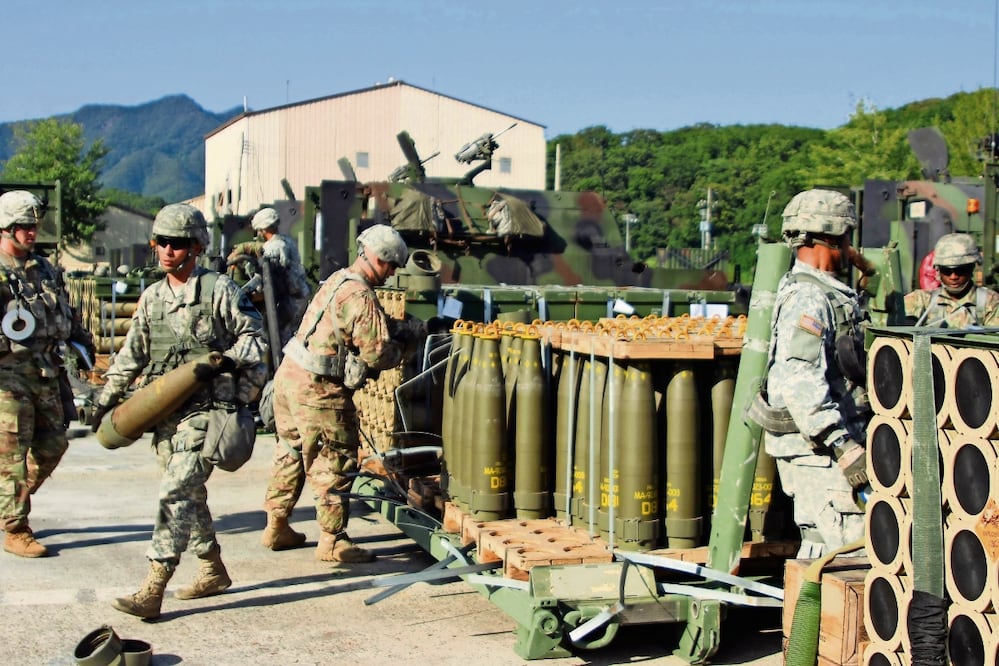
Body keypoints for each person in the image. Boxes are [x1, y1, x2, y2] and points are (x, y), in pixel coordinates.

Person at [91, 203, 268, 619]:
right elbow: (131, 356)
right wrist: (103, 401)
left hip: (208, 413)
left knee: (175, 491)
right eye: (162, 242)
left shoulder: (218, 290)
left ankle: (153, 586)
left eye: (177, 243)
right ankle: (212, 569)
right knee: (189, 492)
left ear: (196, 246)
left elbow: (257, 343)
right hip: (165, 415)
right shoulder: (153, 298)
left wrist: (227, 374)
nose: (167, 250)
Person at [261, 224, 419, 562]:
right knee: (334, 459)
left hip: (289, 378)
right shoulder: (362, 296)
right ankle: (333, 539)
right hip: (318, 390)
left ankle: (277, 524)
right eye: (391, 266)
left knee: (289, 450)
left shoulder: (338, 280)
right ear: (378, 259)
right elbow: (377, 354)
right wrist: (404, 348)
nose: (391, 275)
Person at [749, 189, 871, 558]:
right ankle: (815, 618)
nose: (851, 248)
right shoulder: (809, 297)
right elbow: (799, 381)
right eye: (847, 237)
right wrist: (842, 446)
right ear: (831, 238)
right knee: (846, 552)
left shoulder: (827, 293)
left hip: (824, 448)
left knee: (824, 548)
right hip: (821, 453)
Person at [0, 191, 95, 558]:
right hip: (8, 376)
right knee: (11, 453)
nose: (31, 232)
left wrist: (83, 345)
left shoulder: (46, 270)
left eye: (34, 225)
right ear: (6, 227)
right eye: (24, 225)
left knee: (53, 444)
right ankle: (16, 528)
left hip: (47, 373)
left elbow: (67, 314)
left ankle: (10, 503)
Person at [227, 208, 311, 349]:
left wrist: (244, 254)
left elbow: (265, 269)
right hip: (299, 296)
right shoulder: (286, 241)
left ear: (262, 230)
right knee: (290, 335)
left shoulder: (275, 246)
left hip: (289, 300)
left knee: (277, 339)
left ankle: (279, 369)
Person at [904, 233, 999, 328]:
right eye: (947, 271)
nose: (953, 277)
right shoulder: (921, 300)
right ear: (938, 270)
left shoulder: (990, 302)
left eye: (960, 270)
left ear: (971, 268)